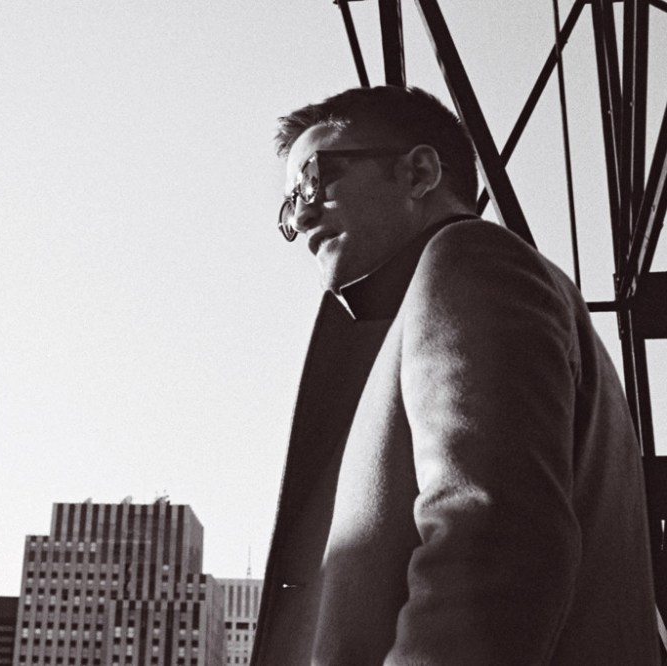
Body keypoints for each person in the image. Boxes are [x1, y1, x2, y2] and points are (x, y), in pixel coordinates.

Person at [251, 86, 660, 665]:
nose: (302, 213)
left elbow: (492, 546)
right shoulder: (457, 296)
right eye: (292, 201)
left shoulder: (468, 260)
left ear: (418, 172)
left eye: (314, 179)